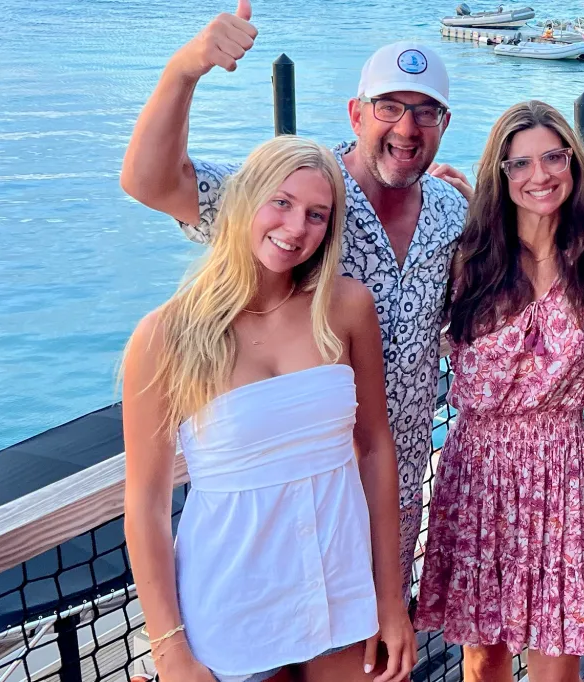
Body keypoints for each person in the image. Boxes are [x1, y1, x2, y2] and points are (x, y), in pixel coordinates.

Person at [119, 0, 470, 603]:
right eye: (390, 107)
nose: (407, 129)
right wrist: (186, 70)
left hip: (397, 485)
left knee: (379, 649)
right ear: (357, 113)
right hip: (299, 488)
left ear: (443, 125)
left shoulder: (451, 211)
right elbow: (151, 182)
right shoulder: (301, 191)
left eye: (425, 113)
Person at [120, 136, 415, 682]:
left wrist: (390, 598)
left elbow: (375, 449)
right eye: (281, 202)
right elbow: (146, 501)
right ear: (244, 201)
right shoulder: (167, 335)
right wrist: (169, 651)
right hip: (230, 611)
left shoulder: (346, 309)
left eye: (317, 214)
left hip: (341, 592)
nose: (296, 227)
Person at [413, 101, 584, 682]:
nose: (540, 175)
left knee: (559, 652)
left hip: (562, 464)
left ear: (573, 164)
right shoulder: (466, 255)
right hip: (479, 466)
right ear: (500, 175)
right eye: (520, 163)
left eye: (554, 157)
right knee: (484, 655)